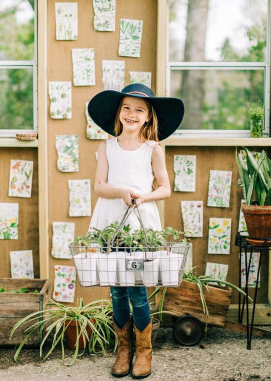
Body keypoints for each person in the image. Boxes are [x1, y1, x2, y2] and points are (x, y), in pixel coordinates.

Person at [87, 83, 184, 379]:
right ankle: (123, 349)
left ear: (148, 117)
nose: (131, 113)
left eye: (139, 109)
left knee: (138, 291)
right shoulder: (106, 146)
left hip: (139, 224)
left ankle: (144, 351)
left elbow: (165, 188)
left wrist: (143, 196)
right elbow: (99, 186)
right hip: (110, 223)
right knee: (116, 290)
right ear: (118, 112)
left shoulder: (152, 149)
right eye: (126, 107)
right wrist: (121, 192)